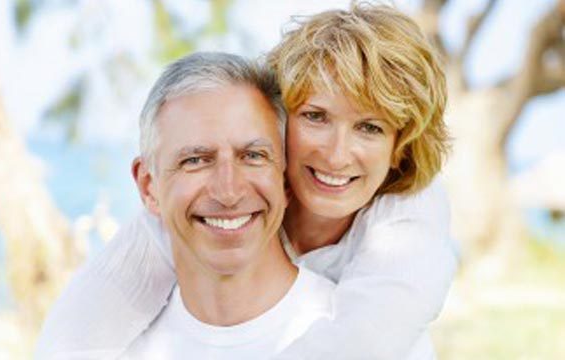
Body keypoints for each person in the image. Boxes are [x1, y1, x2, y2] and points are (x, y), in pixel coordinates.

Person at [36, 3, 457, 360]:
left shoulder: (408, 222)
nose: (336, 154)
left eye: (370, 128)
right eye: (315, 116)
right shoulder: (204, 205)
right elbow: (77, 333)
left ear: (400, 146)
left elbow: (367, 337)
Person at [118, 51, 335, 360]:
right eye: (195, 160)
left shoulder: (363, 335)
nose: (229, 191)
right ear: (148, 187)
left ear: (286, 179)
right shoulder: (120, 347)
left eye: (253, 156)